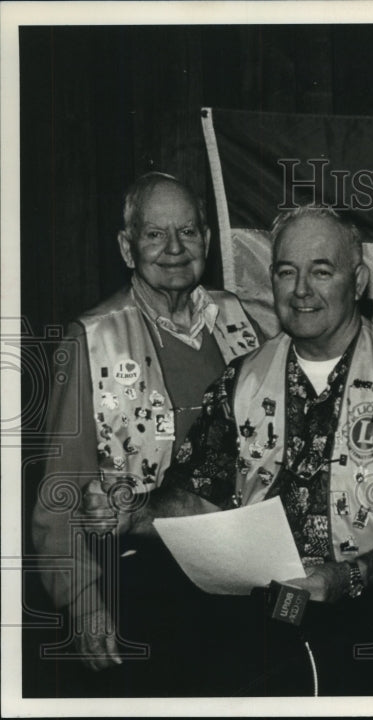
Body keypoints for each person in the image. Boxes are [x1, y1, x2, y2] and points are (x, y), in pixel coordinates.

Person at [87, 205, 373, 695]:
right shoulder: (240, 378)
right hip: (263, 619)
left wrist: (347, 578)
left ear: (356, 282)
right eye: (286, 272)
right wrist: (132, 514)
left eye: (321, 271)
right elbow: (194, 499)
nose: (301, 291)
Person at [30, 172, 261, 680]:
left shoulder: (243, 320)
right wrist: (84, 600)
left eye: (188, 231)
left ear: (207, 239)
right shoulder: (90, 338)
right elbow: (58, 495)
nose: (175, 248)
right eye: (155, 234)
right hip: (142, 579)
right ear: (127, 247)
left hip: (244, 573)